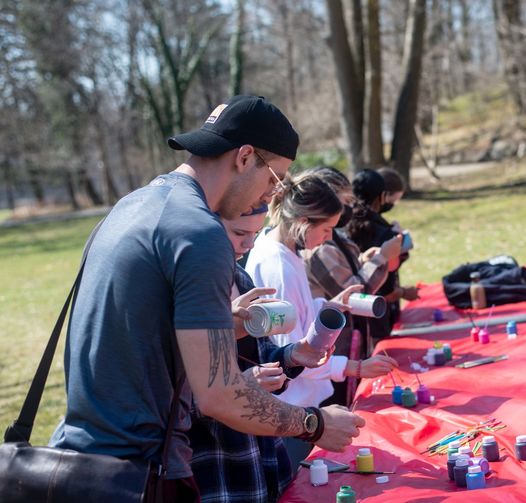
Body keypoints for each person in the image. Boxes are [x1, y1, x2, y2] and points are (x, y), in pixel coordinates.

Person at [49, 95, 365, 502]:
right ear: (245, 156)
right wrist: (314, 423)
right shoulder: (199, 233)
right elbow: (221, 396)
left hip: (85, 459)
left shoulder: (133, 205)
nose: (270, 196)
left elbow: (140, 337)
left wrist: (227, 324)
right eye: (275, 179)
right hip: (139, 473)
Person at [245, 172, 397, 468]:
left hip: (299, 406)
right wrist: (354, 367)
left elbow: (297, 312)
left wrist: (330, 305)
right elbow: (292, 352)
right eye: (327, 229)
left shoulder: (285, 250)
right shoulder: (278, 264)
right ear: (303, 222)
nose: (329, 238)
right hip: (292, 409)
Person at [189, 205, 297, 503]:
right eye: (239, 233)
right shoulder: (190, 292)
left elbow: (262, 360)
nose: (249, 245)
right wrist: (239, 387)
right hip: (221, 467)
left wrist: (293, 357)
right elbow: (177, 403)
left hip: (265, 460)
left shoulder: (242, 278)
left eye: (254, 233)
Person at [301, 166, 403, 406]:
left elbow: (348, 276)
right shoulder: (320, 246)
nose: (349, 208)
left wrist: (364, 260)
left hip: (347, 350)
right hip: (334, 355)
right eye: (345, 201)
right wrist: (381, 259)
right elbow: (356, 296)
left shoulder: (333, 236)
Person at [345, 169, 417, 340]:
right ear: (381, 196)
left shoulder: (345, 226)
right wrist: (401, 246)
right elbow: (389, 273)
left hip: (353, 311)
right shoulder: (384, 232)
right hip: (378, 309)